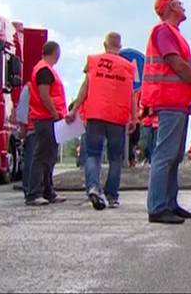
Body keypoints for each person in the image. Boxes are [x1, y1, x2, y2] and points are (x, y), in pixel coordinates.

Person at [141, 0, 191, 224]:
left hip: (177, 102)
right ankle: (158, 207)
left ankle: (169, 203)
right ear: (169, 8)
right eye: (179, 3)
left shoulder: (174, 34)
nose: (183, 6)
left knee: (174, 155)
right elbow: (176, 63)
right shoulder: (164, 31)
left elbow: (180, 64)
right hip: (169, 101)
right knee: (165, 155)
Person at [67, 32, 137, 210]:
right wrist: (134, 118)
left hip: (95, 115)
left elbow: (85, 87)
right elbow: (132, 95)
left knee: (93, 154)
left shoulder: (94, 61)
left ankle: (93, 187)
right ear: (119, 47)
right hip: (117, 117)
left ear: (105, 45)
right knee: (115, 158)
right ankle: (112, 196)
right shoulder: (128, 67)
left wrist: (75, 109)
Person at [25, 41, 67, 206]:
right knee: (42, 156)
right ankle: (34, 193)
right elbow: (44, 95)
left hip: (47, 118)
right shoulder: (44, 70)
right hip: (45, 118)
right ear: (56, 53)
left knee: (49, 156)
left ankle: (48, 191)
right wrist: (55, 113)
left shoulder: (45, 69)